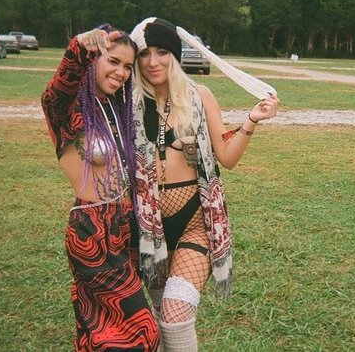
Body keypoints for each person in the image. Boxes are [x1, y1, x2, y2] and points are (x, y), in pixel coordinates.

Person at [129, 17, 279, 351]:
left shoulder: (199, 96)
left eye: (162, 52)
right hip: (149, 228)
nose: (152, 61)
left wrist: (251, 121)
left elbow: (227, 156)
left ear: (175, 55)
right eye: (144, 53)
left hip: (194, 223)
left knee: (175, 315)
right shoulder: (130, 101)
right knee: (161, 316)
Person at [41, 25, 159, 351]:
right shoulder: (68, 109)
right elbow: (57, 90)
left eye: (127, 67)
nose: (121, 73)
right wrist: (78, 48)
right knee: (142, 332)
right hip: (92, 232)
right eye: (113, 61)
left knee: (98, 327)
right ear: (94, 58)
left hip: (124, 226)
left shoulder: (115, 107)